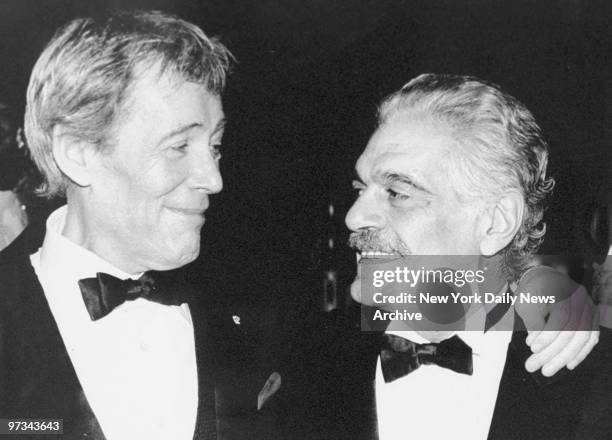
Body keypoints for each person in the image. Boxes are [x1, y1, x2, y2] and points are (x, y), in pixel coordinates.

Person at [274, 74, 611, 440]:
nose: (354, 217)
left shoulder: (594, 390)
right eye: (360, 188)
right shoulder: (308, 369)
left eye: (397, 192)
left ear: (496, 223)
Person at [0, 10, 232, 440]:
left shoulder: (255, 301)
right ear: (79, 153)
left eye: (215, 146)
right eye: (180, 145)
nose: (214, 179)